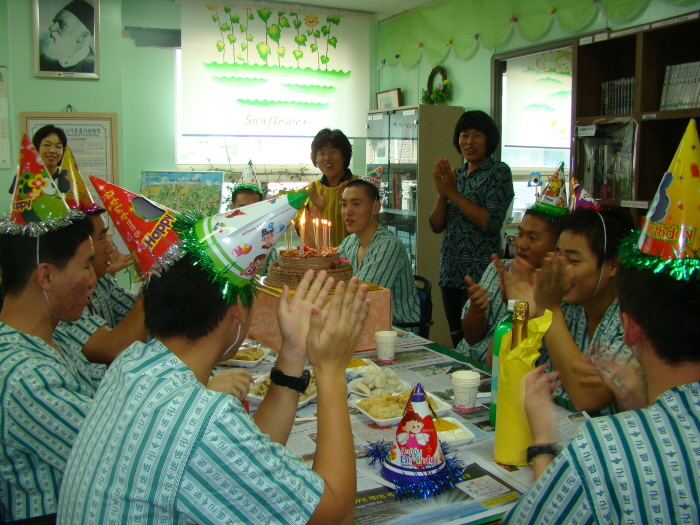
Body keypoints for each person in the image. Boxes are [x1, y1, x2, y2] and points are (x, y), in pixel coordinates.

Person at [57, 263, 370, 523]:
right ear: (237, 309)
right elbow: (336, 515)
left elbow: (246, 465)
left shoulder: (132, 364)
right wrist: (330, 371)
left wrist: (294, 351)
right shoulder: (204, 418)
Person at [503, 251, 700, 523]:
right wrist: (520, 311)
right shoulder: (571, 308)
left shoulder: (602, 449)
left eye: (572, 260)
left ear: (628, 326)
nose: (560, 271)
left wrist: (542, 444)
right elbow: (502, 356)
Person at [429, 111, 514, 347]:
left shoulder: (498, 172)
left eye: (477, 135)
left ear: (489, 140)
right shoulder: (456, 175)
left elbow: (491, 221)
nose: (469, 141)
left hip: (480, 273)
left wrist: (453, 193)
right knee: (457, 340)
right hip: (450, 269)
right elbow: (435, 225)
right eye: (464, 135)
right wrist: (443, 192)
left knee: (477, 341)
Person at [456, 207, 563, 363]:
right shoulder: (499, 269)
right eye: (520, 234)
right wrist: (476, 308)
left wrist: (515, 309)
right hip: (469, 360)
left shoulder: (556, 291)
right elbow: (471, 338)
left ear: (557, 246)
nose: (522, 244)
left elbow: (502, 364)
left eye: (533, 238)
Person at [338, 178, 420, 325]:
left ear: (375, 208)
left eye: (356, 204)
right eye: (343, 204)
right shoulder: (349, 242)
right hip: (359, 321)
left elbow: (361, 298)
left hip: (395, 329)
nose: (347, 212)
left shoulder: (388, 245)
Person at [308, 128, 358, 247]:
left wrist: (347, 205)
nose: (327, 158)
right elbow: (305, 232)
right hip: (322, 259)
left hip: (354, 258)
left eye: (332, 151)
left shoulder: (360, 186)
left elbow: (370, 225)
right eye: (321, 153)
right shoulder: (312, 190)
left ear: (344, 156)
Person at [8, 125, 69, 195]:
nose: (52, 151)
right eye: (47, 145)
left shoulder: (67, 180)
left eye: (58, 146)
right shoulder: (23, 178)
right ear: (36, 147)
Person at [39, 0, 95, 74]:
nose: (52, 28)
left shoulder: (94, 67)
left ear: (83, 36)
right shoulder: (42, 62)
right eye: (55, 22)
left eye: (62, 24)